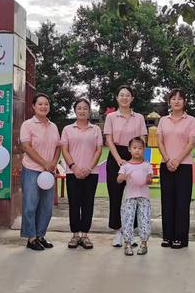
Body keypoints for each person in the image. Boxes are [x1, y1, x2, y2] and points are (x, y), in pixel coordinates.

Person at [103, 85, 147, 247]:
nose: (124, 98)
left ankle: (131, 232)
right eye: (121, 95)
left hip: (134, 155)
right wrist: (119, 160)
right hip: (116, 156)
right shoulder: (111, 117)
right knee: (115, 196)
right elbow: (108, 140)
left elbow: (143, 139)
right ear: (117, 98)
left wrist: (135, 158)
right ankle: (118, 232)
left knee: (134, 196)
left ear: (132, 98)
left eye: (127, 95)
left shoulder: (139, 117)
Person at [157, 88, 195, 248]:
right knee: (167, 201)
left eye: (180, 99)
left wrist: (177, 160)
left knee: (182, 202)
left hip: (184, 166)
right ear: (169, 102)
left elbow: (191, 143)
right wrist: (168, 160)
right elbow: (160, 142)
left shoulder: (191, 120)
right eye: (173, 98)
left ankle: (180, 237)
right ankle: (167, 236)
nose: (176, 101)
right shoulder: (163, 120)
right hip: (165, 164)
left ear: (185, 102)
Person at [20, 93, 61, 251]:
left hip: (48, 172)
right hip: (32, 169)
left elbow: (58, 146)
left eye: (46, 104)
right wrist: (44, 163)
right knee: (31, 205)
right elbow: (26, 147)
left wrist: (53, 163)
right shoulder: (28, 125)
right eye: (40, 104)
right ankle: (31, 238)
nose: (43, 107)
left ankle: (40, 235)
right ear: (33, 106)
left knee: (46, 206)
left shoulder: (53, 126)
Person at [61, 98, 103, 249]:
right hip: (72, 173)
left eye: (85, 108)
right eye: (79, 108)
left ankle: (84, 235)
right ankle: (75, 235)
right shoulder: (67, 129)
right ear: (75, 111)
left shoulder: (96, 129)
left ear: (89, 111)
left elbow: (98, 150)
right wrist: (74, 167)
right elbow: (64, 150)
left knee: (87, 204)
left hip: (91, 173)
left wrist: (89, 168)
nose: (82, 110)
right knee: (74, 204)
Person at [117, 137, 153, 256]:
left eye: (140, 148)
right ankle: (127, 243)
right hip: (129, 196)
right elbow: (118, 179)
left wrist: (148, 179)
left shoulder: (147, 165)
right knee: (127, 219)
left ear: (144, 150)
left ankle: (144, 243)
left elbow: (149, 180)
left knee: (145, 219)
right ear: (129, 149)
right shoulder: (126, 165)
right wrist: (123, 176)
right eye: (134, 148)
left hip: (144, 196)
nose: (137, 150)